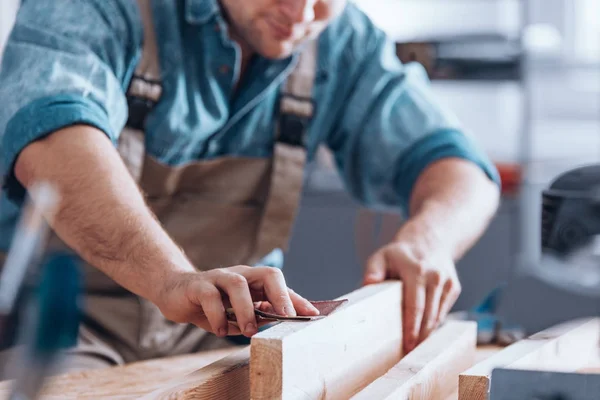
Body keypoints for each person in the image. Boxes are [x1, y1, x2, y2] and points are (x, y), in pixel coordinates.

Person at [0, 0, 500, 372]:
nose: (301, 11)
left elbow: (459, 166)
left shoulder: (340, 41)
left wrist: (428, 240)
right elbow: (54, 144)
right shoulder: (97, 8)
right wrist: (170, 279)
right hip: (58, 333)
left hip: (227, 349)